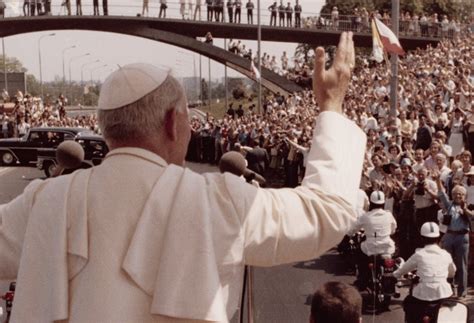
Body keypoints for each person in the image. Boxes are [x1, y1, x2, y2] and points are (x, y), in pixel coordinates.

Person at [0, 32, 365, 322]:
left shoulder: (44, 200)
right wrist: (331, 107)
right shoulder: (218, 201)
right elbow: (325, 212)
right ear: (174, 123)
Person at [393, 222, 456, 323]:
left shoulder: (419, 254)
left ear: (422, 238)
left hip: (422, 295)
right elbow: (452, 272)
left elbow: (402, 270)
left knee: (408, 303)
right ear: (438, 237)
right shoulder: (446, 254)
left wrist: (394, 275)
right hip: (443, 294)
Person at [434, 170, 472, 298]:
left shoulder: (468, 206)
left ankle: (462, 291)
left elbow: (473, 217)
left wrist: (465, 210)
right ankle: (448, 289)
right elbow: (441, 194)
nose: (458, 196)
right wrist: (438, 179)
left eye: (461, 194)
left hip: (462, 237)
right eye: (456, 194)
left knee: (462, 265)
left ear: (464, 196)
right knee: (447, 264)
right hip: (449, 235)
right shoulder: (449, 204)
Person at [352, 190, 397, 289]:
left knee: (359, 255)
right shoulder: (389, 215)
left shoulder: (366, 216)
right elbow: (393, 228)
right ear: (383, 203)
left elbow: (353, 228)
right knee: (394, 259)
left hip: (370, 248)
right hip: (387, 247)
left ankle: (362, 279)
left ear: (371, 203)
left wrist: (349, 232)